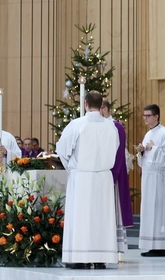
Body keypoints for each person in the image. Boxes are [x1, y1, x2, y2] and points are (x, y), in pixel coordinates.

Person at [57, 90, 119, 270]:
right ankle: (100, 258)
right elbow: (114, 149)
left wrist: (72, 168)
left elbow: (62, 149)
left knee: (81, 218)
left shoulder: (77, 125)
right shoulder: (111, 126)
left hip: (82, 176)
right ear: (101, 105)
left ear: (85, 104)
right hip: (104, 177)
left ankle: (79, 258)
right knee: (102, 217)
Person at [136, 104, 165, 257]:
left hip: (158, 177)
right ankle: (151, 244)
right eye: (144, 115)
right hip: (147, 176)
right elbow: (145, 157)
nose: (145, 118)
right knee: (148, 210)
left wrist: (154, 149)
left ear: (156, 116)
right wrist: (141, 152)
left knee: (157, 210)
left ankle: (160, 246)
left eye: (148, 115)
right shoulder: (148, 134)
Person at [101, 98, 134, 254]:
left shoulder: (116, 127)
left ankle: (116, 245)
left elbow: (119, 154)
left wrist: (113, 174)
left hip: (113, 174)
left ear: (105, 109)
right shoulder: (100, 126)